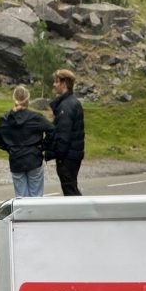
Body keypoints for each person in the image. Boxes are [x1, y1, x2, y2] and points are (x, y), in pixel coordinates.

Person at [0, 85, 54, 198]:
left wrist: (8, 148)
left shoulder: (5, 119)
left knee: (21, 197)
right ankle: (35, 215)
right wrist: (42, 146)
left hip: (16, 159)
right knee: (36, 197)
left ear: (14, 99)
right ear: (28, 100)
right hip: (33, 157)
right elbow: (52, 131)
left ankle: (23, 215)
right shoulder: (36, 117)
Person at [49, 68, 85, 196]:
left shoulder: (66, 106)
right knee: (71, 186)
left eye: (56, 81)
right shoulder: (72, 102)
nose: (54, 84)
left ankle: (81, 214)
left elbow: (63, 134)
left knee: (70, 189)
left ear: (64, 83)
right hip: (73, 154)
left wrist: (58, 154)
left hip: (67, 157)